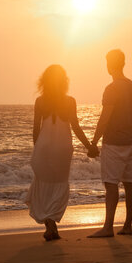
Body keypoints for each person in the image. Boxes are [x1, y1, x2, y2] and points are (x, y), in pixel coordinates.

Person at [26, 65, 98, 241]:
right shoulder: (70, 101)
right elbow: (76, 127)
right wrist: (90, 146)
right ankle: (52, 225)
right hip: (63, 148)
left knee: (43, 184)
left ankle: (50, 226)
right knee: (59, 184)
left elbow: (36, 130)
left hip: (44, 148)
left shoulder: (40, 101)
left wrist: (36, 149)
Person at [88, 49, 132, 238]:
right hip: (131, 140)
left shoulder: (111, 89)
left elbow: (105, 118)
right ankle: (127, 226)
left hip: (113, 142)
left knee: (111, 183)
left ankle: (108, 227)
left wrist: (94, 142)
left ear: (109, 65)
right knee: (129, 183)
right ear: (124, 63)